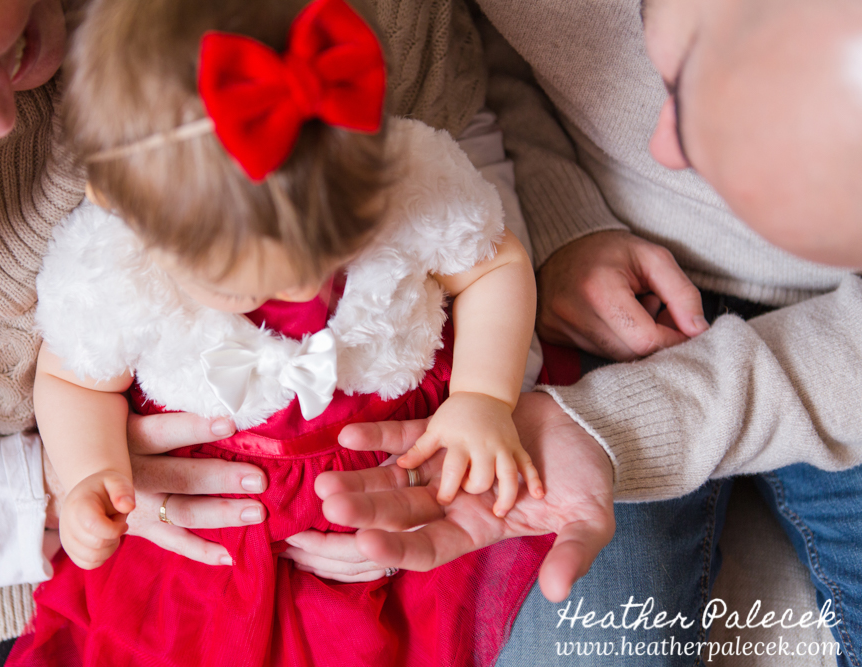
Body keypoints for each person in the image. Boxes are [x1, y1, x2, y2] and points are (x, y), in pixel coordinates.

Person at [0, 0, 527, 664]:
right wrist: (89, 472)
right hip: (197, 551)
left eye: (333, 253)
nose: (301, 292)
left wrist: (484, 399)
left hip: (396, 473)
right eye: (250, 284)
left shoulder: (399, 170)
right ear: (128, 218)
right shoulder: (117, 268)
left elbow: (491, 257)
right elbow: (72, 379)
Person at [309, 0, 862, 664]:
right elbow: (472, 47)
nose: (667, 152)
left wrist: (624, 424)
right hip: (576, 268)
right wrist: (564, 218)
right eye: (675, 77)